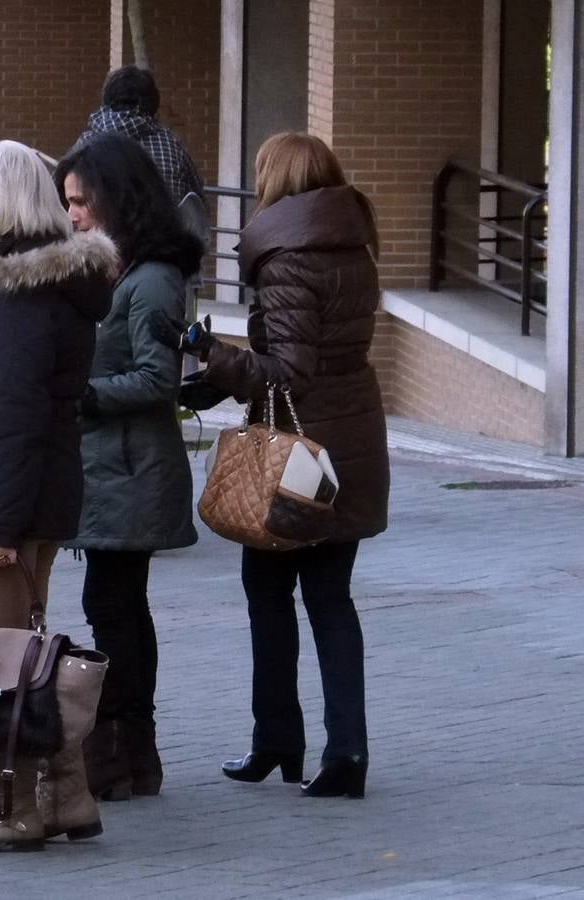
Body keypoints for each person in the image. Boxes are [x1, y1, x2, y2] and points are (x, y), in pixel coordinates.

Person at [150, 132, 390, 799]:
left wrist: (205, 351)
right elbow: (305, 358)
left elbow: (286, 370)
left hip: (296, 459)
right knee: (328, 599)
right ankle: (341, 749)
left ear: (275, 181)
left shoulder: (287, 259)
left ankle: (282, 740)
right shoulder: (352, 248)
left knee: (269, 593)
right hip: (348, 441)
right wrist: (224, 380)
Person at [0, 140, 118, 854]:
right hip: (29, 483)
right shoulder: (48, 284)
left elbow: (14, 410)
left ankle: (11, 810)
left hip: (1, 493)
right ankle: (64, 792)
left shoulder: (20, 291)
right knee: (21, 645)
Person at [54, 134, 201, 801]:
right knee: (118, 609)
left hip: (131, 472)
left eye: (81, 202)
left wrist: (81, 394)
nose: (73, 215)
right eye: (67, 203)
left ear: (117, 198)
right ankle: (130, 753)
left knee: (113, 610)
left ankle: (118, 748)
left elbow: (155, 378)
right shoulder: (120, 271)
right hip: (114, 471)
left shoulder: (151, 280)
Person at [78, 66, 204, 205]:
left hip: (101, 226)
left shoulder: (85, 145)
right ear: (153, 102)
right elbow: (196, 200)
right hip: (163, 225)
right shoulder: (172, 145)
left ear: (107, 99)